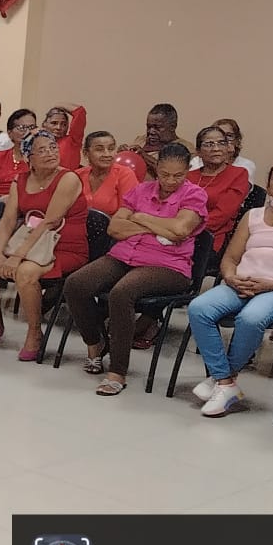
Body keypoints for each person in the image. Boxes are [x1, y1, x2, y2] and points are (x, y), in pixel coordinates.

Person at [62, 144, 208, 396]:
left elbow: (181, 230)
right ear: (156, 169)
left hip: (168, 265)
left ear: (187, 172)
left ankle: (117, 371)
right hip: (124, 256)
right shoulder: (141, 190)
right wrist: (160, 228)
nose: (170, 181)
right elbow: (115, 228)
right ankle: (95, 342)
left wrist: (141, 218)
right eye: (165, 174)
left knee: (122, 293)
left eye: (178, 175)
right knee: (76, 284)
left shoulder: (194, 195)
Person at [185, 161, 273, 418]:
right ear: (268, 187)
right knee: (199, 308)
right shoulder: (253, 216)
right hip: (243, 283)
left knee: (251, 317)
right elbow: (230, 258)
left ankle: (223, 378)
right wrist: (230, 277)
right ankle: (225, 381)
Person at [0, 129, 88, 359]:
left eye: (53, 148)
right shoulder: (20, 180)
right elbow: (8, 220)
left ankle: (34, 333)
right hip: (31, 244)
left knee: (26, 272)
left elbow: (50, 222)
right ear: (28, 157)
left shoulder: (68, 178)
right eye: (41, 150)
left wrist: (16, 257)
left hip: (63, 247)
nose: (50, 153)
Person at [188, 124, 251, 250]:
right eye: (209, 144)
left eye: (221, 143)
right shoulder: (188, 176)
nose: (216, 148)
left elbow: (222, 215)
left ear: (228, 148)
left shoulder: (238, 174)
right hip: (176, 231)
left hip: (209, 239)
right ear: (198, 151)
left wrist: (185, 228)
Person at [78, 129, 139, 216]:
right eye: (99, 149)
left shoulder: (125, 174)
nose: (107, 154)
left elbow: (127, 214)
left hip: (114, 224)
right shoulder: (77, 175)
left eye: (111, 149)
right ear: (85, 153)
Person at [0, 108, 40, 197]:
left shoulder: (41, 158)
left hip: (29, 201)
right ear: (10, 133)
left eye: (31, 127)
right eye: (22, 128)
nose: (27, 132)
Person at [122, 103, 179, 180]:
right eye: (149, 127)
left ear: (172, 127)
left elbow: (171, 174)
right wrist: (122, 152)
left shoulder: (184, 148)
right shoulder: (140, 139)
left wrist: (144, 156)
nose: (151, 131)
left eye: (157, 127)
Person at [198, 117, 258, 183]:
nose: (225, 139)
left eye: (229, 136)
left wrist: (226, 157)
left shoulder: (246, 165)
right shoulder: (196, 162)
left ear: (237, 140)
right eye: (219, 135)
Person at [42, 103, 87, 172]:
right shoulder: (37, 143)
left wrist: (60, 105)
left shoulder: (73, 141)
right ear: (44, 124)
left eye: (64, 124)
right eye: (54, 123)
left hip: (68, 178)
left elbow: (80, 111)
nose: (58, 127)